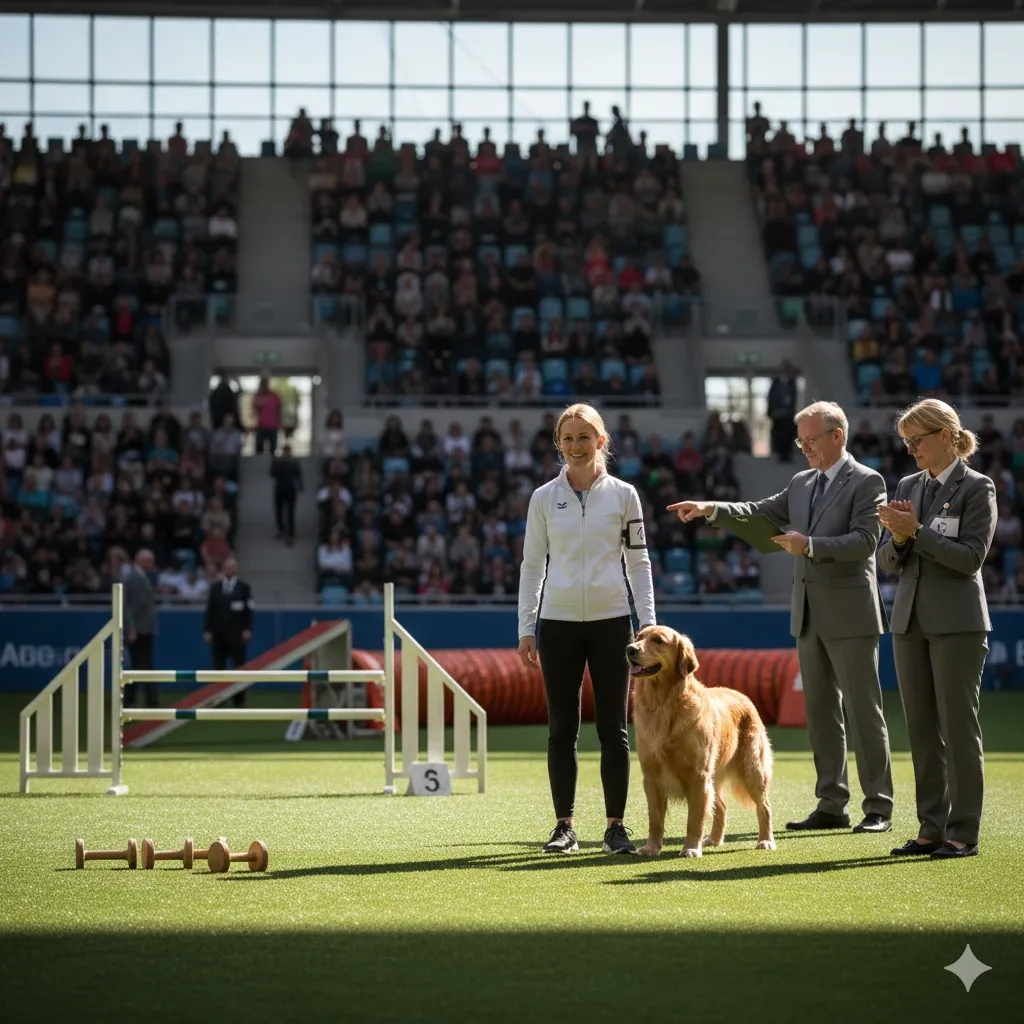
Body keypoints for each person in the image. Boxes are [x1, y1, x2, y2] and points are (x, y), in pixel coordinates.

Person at [668, 401, 894, 834]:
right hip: (808, 614)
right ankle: (832, 804)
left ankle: (878, 807)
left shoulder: (868, 481)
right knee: (821, 712)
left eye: (811, 440)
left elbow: (866, 542)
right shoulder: (801, 482)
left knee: (865, 713)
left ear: (837, 436)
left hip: (851, 615)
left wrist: (808, 545)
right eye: (800, 440)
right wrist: (711, 508)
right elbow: (761, 511)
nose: (804, 448)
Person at [517, 402, 656, 855]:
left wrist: (647, 624)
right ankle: (564, 826)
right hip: (556, 625)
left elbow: (638, 561)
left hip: (613, 623)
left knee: (614, 728)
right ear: (559, 444)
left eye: (585, 437)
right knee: (562, 728)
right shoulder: (543, 498)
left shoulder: (624, 495)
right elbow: (532, 565)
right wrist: (527, 626)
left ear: (602, 441)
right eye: (568, 438)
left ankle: (616, 827)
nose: (576, 446)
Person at [878, 399, 996, 860]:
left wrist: (917, 533)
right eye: (906, 442)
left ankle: (963, 832)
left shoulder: (977, 487)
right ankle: (931, 829)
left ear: (945, 436)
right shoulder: (909, 484)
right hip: (908, 622)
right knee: (922, 731)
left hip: (958, 625)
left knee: (958, 728)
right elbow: (887, 560)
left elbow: (970, 559)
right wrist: (902, 538)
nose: (911, 451)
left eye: (917, 440)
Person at [203, 556, 254, 709]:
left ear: (236, 569)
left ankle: (239, 700)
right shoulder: (215, 587)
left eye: (232, 567)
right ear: (223, 569)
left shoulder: (244, 588)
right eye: (227, 567)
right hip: (218, 635)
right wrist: (207, 630)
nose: (230, 570)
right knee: (218, 668)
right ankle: (218, 699)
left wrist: (248, 629)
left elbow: (249, 610)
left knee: (239, 669)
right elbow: (209, 611)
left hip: (237, 635)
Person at [123, 548, 158, 708]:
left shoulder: (140, 577)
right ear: (142, 561)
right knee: (142, 665)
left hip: (143, 628)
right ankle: (148, 700)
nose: (152, 564)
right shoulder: (133, 578)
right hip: (138, 630)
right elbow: (127, 607)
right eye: (150, 561)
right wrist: (131, 628)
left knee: (140, 665)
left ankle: (135, 699)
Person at [270, 444, 303, 545]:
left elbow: (298, 475)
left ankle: (291, 532)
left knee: (290, 512)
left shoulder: (294, 463)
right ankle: (281, 529)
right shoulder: (277, 462)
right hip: (280, 488)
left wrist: (300, 486)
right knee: (279, 510)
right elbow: (272, 473)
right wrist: (279, 463)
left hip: (290, 489)